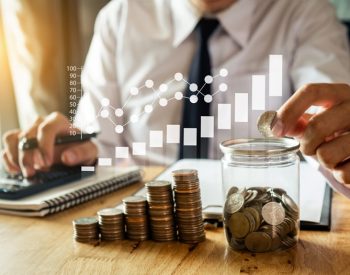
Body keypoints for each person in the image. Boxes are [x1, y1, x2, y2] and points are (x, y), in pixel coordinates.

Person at [2, 0, 350, 188]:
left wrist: (337, 143)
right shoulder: (119, 18)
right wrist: (71, 148)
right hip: (149, 233)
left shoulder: (306, 12)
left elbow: (330, 116)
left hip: (261, 224)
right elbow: (101, 143)